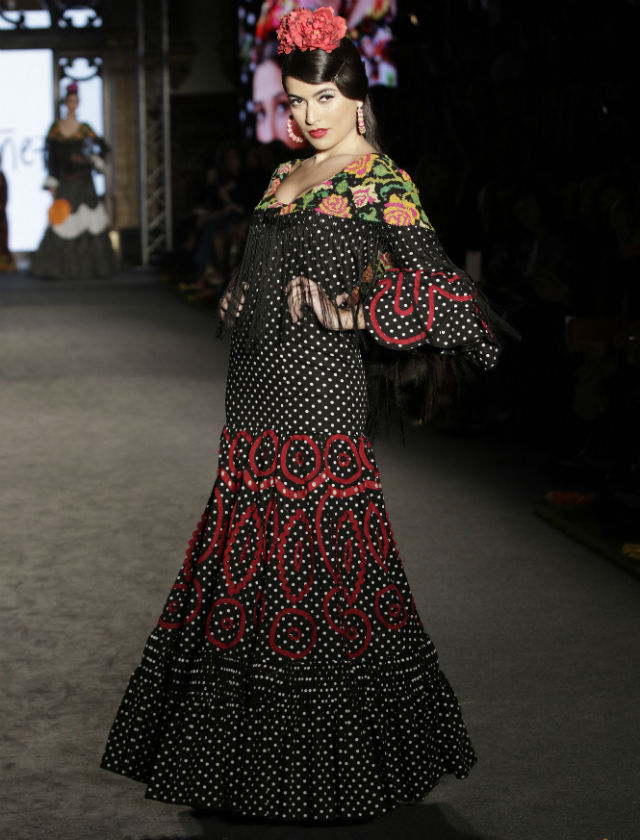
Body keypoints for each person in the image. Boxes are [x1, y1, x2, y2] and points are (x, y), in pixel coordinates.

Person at [101, 6, 501, 822]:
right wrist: (239, 296)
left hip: (320, 399)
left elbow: (455, 306)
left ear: (357, 97)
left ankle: (330, 772)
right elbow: (265, 270)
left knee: (319, 571)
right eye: (296, 101)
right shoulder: (284, 176)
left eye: (325, 98)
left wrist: (353, 314)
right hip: (252, 396)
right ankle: (244, 768)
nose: (311, 115)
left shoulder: (379, 181)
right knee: (250, 567)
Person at [30, 82, 116, 281]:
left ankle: (93, 267)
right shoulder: (56, 128)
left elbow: (103, 147)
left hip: (84, 182)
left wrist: (92, 159)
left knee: (90, 221)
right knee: (62, 219)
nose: (72, 104)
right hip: (65, 182)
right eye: (69, 101)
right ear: (65, 103)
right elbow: (50, 156)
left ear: (78, 103)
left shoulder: (84, 129)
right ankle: (57, 269)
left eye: (75, 101)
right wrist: (52, 181)